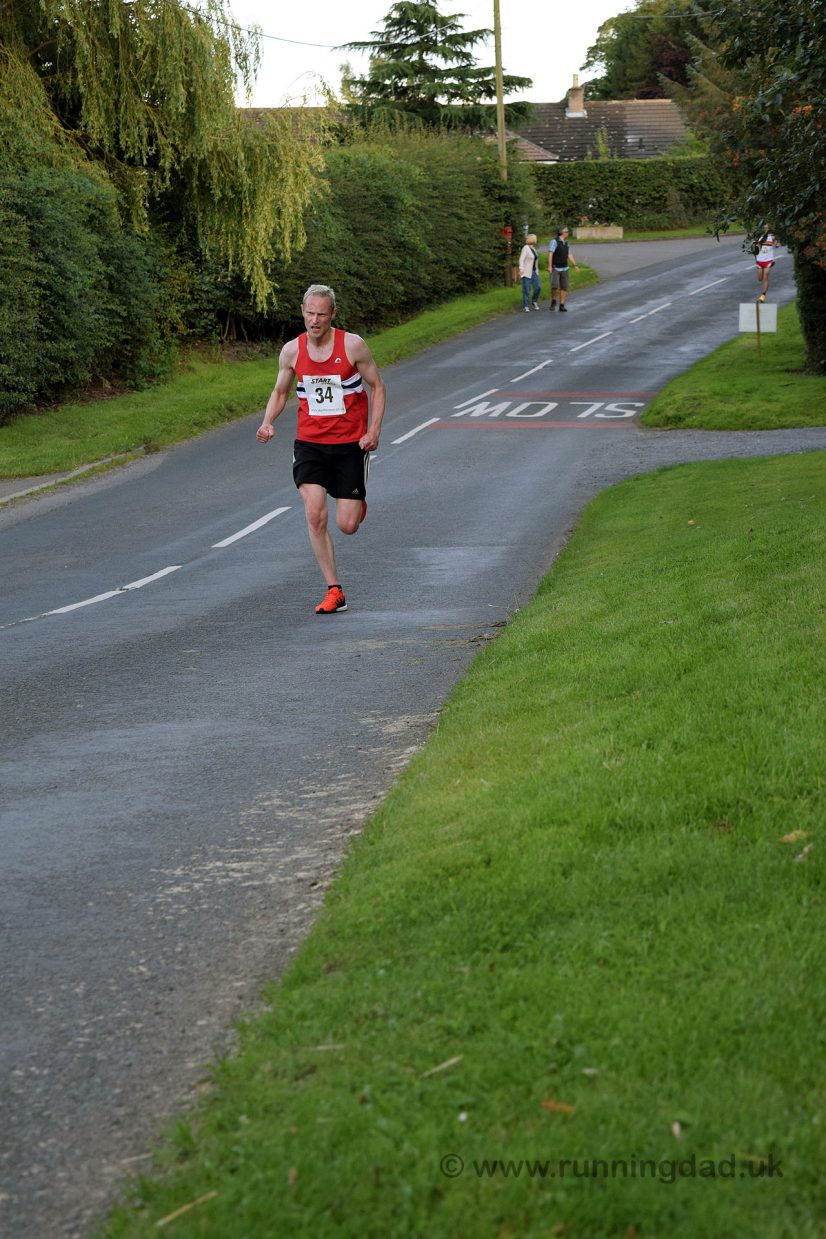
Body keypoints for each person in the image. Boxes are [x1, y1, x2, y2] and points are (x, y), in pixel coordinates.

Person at [256, 284, 386, 614]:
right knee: (314, 513)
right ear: (302, 311)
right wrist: (268, 420)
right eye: (309, 313)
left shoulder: (353, 346)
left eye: (321, 314)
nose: (314, 320)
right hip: (311, 444)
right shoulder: (292, 351)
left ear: (333, 315)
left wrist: (373, 431)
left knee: (347, 525)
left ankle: (355, 504)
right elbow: (281, 391)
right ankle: (334, 589)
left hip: (349, 445)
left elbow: (377, 386)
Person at [547, 225, 580, 312]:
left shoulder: (566, 242)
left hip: (565, 268)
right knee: (554, 286)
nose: (568, 233)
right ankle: (553, 301)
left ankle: (562, 305)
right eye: (567, 232)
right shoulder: (554, 241)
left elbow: (569, 254)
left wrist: (575, 265)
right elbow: (550, 254)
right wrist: (549, 266)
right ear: (562, 232)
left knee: (564, 287)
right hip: (555, 267)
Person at [518, 233, 542, 311]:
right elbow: (521, 259)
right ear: (533, 240)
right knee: (526, 289)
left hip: (534, 272)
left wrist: (537, 271)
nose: (536, 240)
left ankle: (534, 301)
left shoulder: (533, 249)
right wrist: (521, 269)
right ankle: (526, 306)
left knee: (538, 287)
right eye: (535, 239)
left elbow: (535, 261)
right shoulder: (525, 248)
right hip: (526, 272)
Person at [755, 231, 778, 301]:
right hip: (759, 261)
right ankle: (763, 294)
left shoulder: (772, 236)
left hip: (768, 260)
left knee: (765, 277)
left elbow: (776, 245)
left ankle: (763, 295)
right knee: (760, 278)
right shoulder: (758, 235)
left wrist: (775, 243)